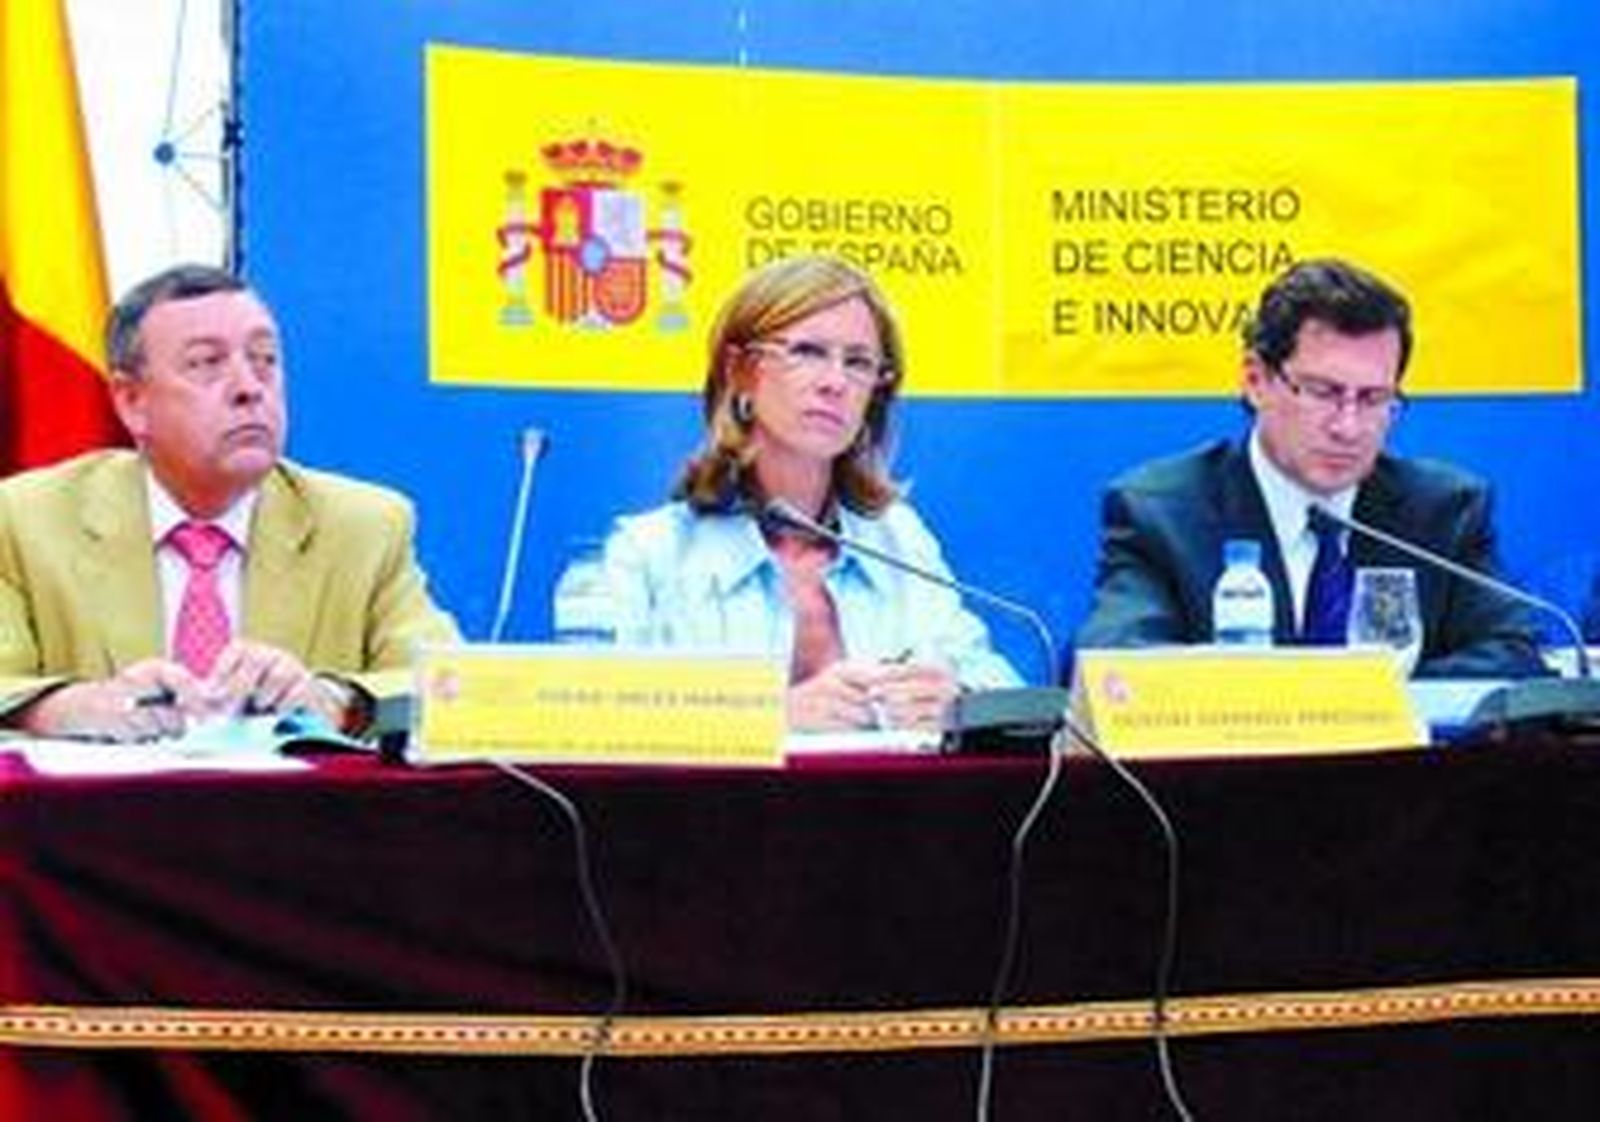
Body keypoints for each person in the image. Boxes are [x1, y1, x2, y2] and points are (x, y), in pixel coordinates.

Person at [0, 263, 459, 740]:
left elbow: (453, 689)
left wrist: (338, 701)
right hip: (100, 813)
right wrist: (66, 708)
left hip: (292, 814)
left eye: (265, 360)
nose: (248, 387)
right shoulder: (23, 520)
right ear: (132, 400)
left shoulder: (365, 527)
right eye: (205, 364)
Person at [603, 254, 1019, 732]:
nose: (835, 382)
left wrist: (958, 702)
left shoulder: (899, 539)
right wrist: (771, 717)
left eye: (859, 362)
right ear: (740, 371)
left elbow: (1001, 687)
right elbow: (591, 722)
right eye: (807, 352)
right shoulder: (646, 553)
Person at [1076, 257, 1544, 678]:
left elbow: (1513, 656)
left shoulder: (1444, 512)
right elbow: (1119, 665)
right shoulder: (1163, 513)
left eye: (1373, 399)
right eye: (1323, 392)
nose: (1348, 426)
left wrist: (1364, 706)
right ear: (1256, 380)